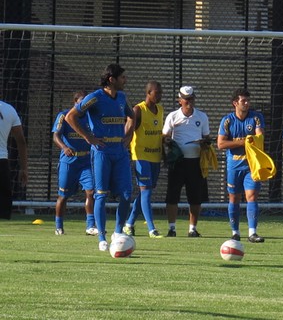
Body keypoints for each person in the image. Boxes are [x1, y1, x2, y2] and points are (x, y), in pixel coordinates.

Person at [65, 64, 135, 252]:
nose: (125, 80)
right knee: (101, 195)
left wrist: (128, 136)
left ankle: (118, 232)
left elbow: (132, 116)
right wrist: (88, 137)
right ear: (112, 79)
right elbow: (71, 116)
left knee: (127, 194)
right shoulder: (95, 97)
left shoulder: (121, 97)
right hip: (102, 152)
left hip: (120, 152)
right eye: (122, 77)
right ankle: (102, 237)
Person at [217, 88, 266, 243]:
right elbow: (220, 143)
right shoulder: (227, 120)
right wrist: (241, 142)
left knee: (252, 196)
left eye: (248, 101)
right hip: (234, 165)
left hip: (251, 165)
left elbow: (259, 138)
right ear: (235, 103)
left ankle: (252, 232)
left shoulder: (256, 118)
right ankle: (235, 232)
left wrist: (249, 141)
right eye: (243, 101)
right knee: (234, 197)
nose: (247, 103)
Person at [162, 86, 211, 238]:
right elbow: (165, 136)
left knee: (195, 197)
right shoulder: (173, 116)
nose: (189, 102)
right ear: (180, 100)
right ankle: (172, 228)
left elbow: (207, 137)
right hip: (178, 162)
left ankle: (192, 228)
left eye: (191, 99)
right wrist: (169, 142)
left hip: (195, 161)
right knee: (172, 195)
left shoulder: (202, 117)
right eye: (186, 99)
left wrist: (205, 142)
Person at [52, 90, 97, 235]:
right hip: (69, 162)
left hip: (86, 161)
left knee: (91, 192)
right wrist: (64, 147)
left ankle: (90, 226)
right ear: (75, 102)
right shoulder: (64, 115)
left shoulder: (91, 117)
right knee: (63, 196)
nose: (83, 105)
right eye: (81, 101)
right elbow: (56, 136)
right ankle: (59, 226)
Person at [123, 81, 164, 239]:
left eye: (161, 93)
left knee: (145, 193)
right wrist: (123, 146)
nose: (159, 96)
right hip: (140, 156)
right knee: (146, 191)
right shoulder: (138, 109)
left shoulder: (160, 109)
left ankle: (129, 224)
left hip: (156, 156)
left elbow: (158, 134)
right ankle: (152, 229)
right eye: (157, 93)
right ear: (148, 93)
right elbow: (130, 131)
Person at [0, 100, 28, 220]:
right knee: (3, 205)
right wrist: (24, 168)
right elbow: (21, 140)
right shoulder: (9, 109)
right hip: (2, 162)